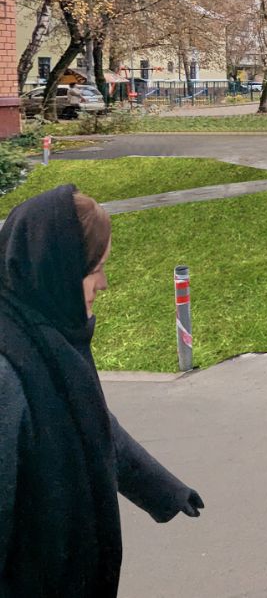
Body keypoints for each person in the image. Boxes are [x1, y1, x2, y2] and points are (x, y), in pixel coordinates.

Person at [0, 186, 204, 596]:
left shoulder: (49, 337)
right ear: (54, 268)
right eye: (95, 268)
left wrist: (161, 488)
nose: (104, 283)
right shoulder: (8, 371)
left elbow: (92, 422)